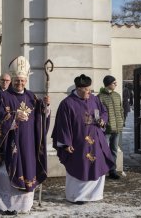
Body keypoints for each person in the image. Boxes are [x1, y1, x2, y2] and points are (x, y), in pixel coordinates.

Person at [0, 56, 50, 215]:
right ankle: (7, 206)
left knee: (28, 171)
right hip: (9, 143)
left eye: (22, 80)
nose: (20, 83)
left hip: (28, 143)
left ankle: (24, 205)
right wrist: (13, 117)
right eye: (16, 80)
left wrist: (46, 109)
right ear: (12, 80)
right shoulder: (3, 96)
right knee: (6, 175)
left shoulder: (32, 97)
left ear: (26, 80)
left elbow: (40, 117)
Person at [51, 74, 114, 204]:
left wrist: (103, 120)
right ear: (78, 89)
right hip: (78, 143)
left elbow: (103, 112)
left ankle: (94, 195)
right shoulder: (67, 103)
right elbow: (63, 125)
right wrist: (65, 143)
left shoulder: (94, 99)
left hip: (96, 140)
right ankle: (77, 196)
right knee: (79, 166)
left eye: (90, 89)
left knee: (97, 164)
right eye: (86, 89)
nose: (89, 92)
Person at [98, 75, 124, 180]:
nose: (116, 84)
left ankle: (112, 170)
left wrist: (122, 121)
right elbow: (99, 113)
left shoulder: (117, 95)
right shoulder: (100, 97)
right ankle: (102, 169)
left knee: (114, 150)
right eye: (114, 83)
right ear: (108, 84)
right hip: (106, 129)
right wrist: (104, 124)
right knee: (103, 150)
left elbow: (121, 110)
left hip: (117, 128)